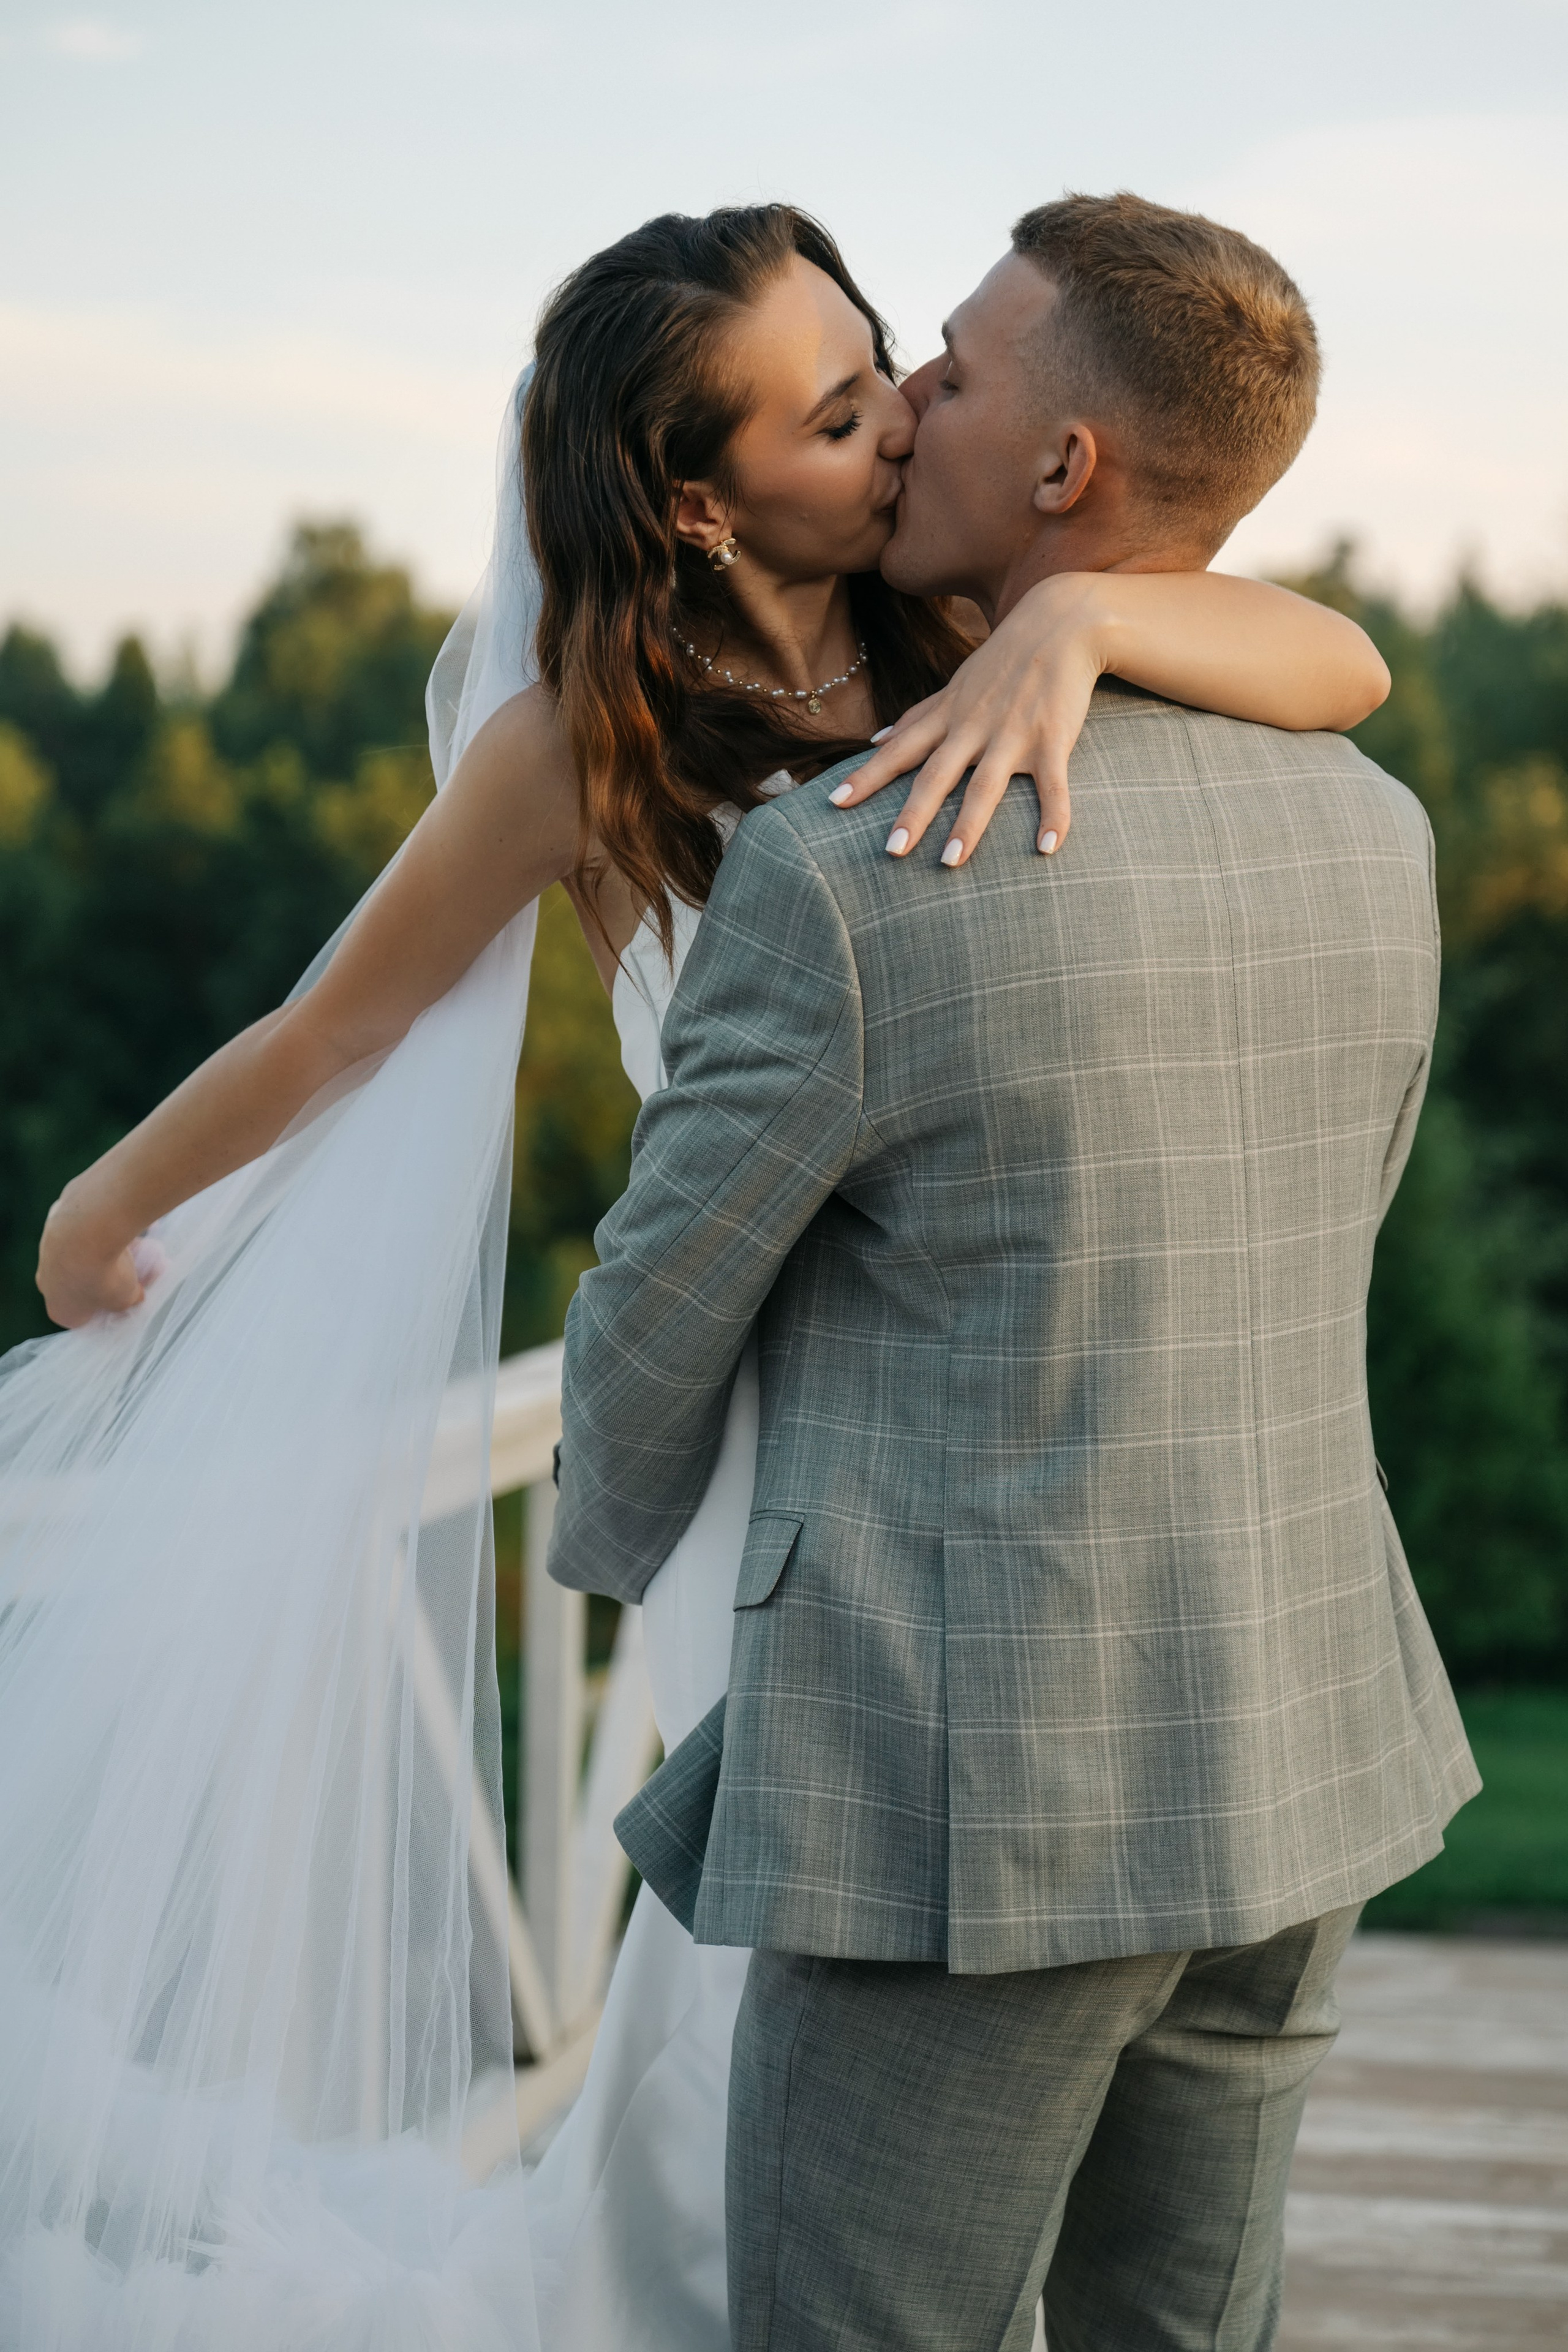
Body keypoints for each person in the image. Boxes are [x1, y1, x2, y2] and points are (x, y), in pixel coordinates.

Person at [11, 201, 1385, 2347]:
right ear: (692, 489)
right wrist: (102, 1214)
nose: (908, 416)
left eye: (900, 368)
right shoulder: (587, 735)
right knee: (783, 1981)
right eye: (846, 409)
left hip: (980, 1405)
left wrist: (1083, 631)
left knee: (921, 1993)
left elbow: (1347, 665)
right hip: (761, 1432)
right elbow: (335, 1024)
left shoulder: (963, 627)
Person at [548, 195, 1480, 2352]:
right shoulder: (1378, 825)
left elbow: (654, 1328)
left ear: (1067, 468)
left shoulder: (854, 872)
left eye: (948, 372)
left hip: (977, 1811)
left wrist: (614, 1560)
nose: (911, 410)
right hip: (1295, 1732)